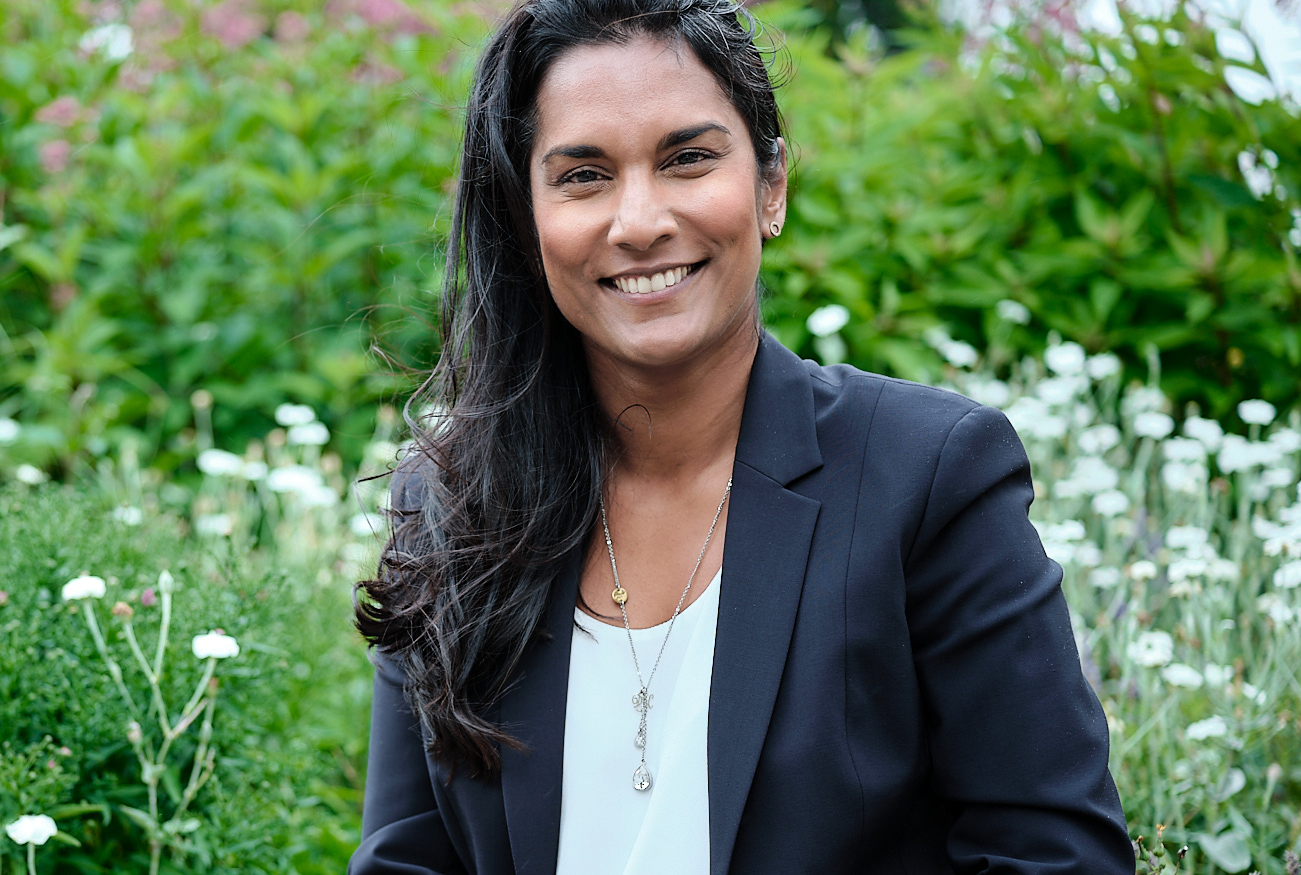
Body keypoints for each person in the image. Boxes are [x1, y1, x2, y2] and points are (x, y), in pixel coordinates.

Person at [349, 0, 1132, 872]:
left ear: (772, 186)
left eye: (688, 159)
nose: (639, 220)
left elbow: (1055, 854)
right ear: (527, 224)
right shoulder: (451, 500)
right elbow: (407, 859)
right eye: (583, 176)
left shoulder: (929, 477)